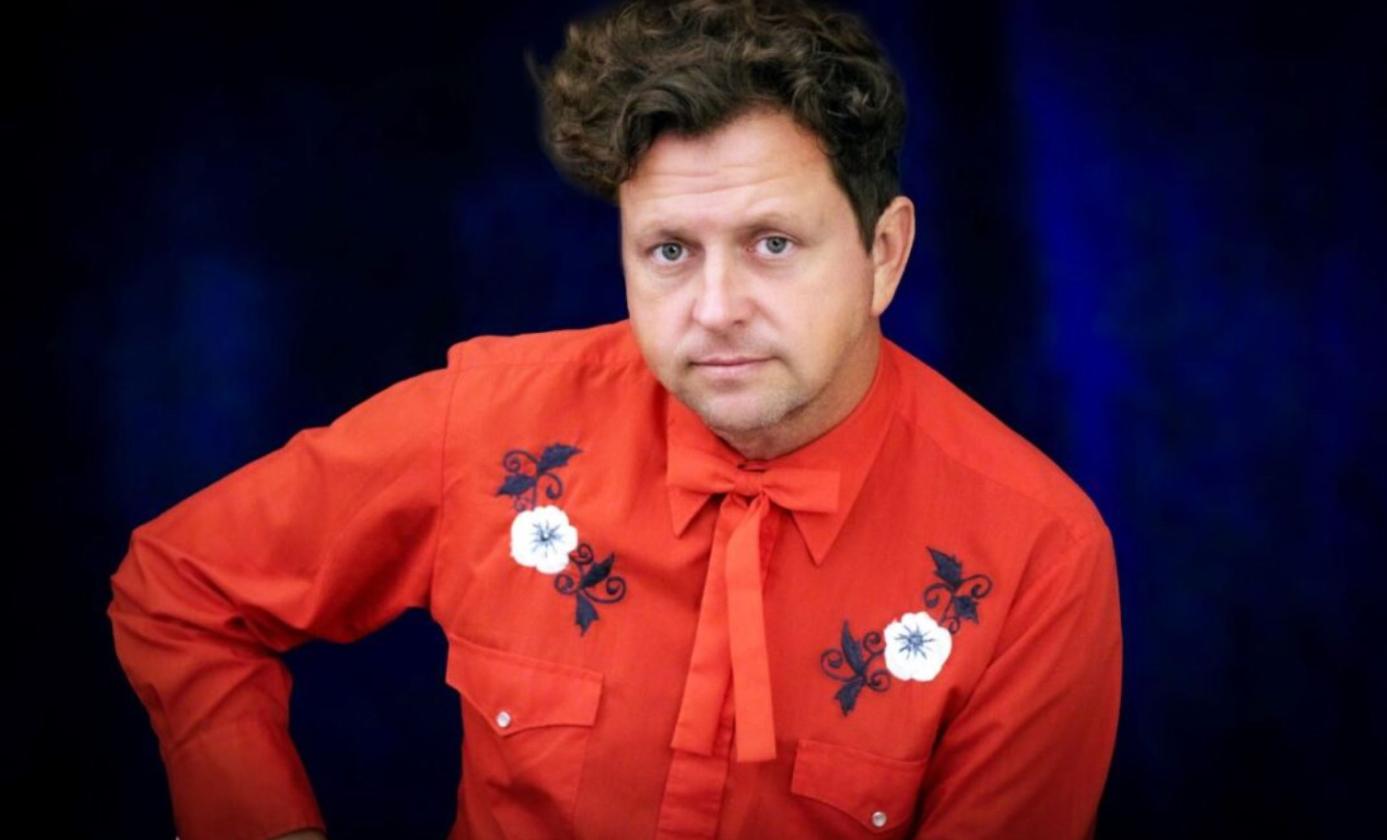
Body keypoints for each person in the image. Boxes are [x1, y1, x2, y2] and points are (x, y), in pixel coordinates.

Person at [108, 1, 1122, 838]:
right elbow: (181, 587)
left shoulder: (1036, 554)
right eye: (669, 250)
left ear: (883, 255)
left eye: (771, 243)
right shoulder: (491, 429)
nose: (715, 305)